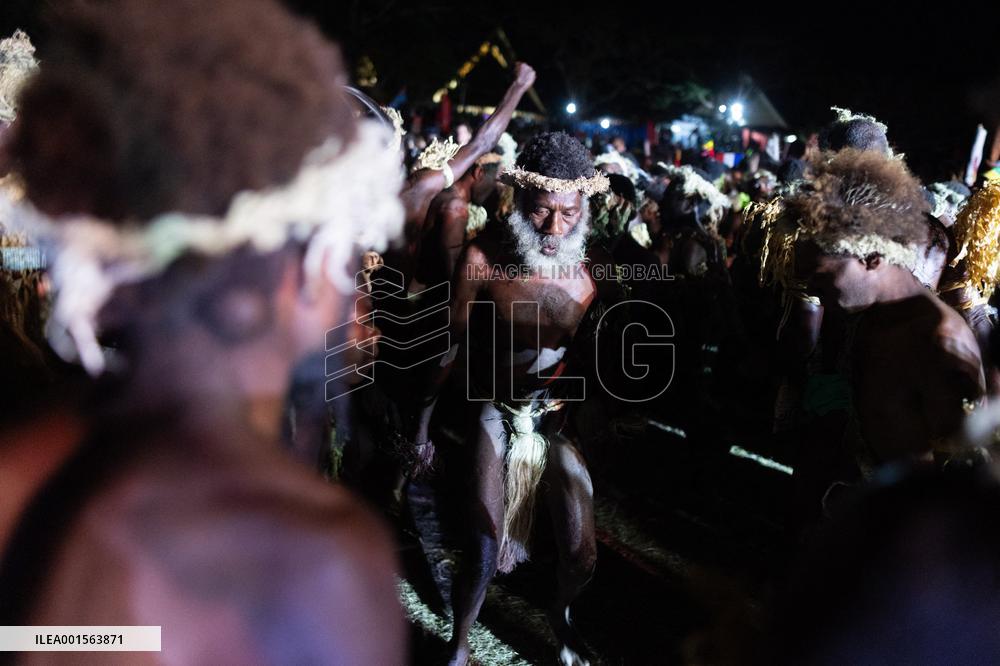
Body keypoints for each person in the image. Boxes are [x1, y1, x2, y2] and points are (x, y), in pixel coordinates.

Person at [0, 2, 405, 663]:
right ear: (304, 271)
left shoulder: (17, 476)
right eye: (353, 254)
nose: (361, 292)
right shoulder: (312, 561)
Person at [411, 132, 607, 666]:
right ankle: (458, 644)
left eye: (569, 213)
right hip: (495, 411)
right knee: (481, 546)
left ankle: (560, 617)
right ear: (520, 200)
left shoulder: (592, 271)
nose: (554, 227)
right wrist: (423, 427)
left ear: (584, 208)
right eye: (543, 211)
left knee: (581, 553)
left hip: (554, 420)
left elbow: (586, 357)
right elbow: (448, 345)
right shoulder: (481, 259)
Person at [767, 149, 985, 465]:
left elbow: (960, 482)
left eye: (820, 277)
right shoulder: (866, 317)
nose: (812, 291)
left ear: (872, 258)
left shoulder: (939, 342)